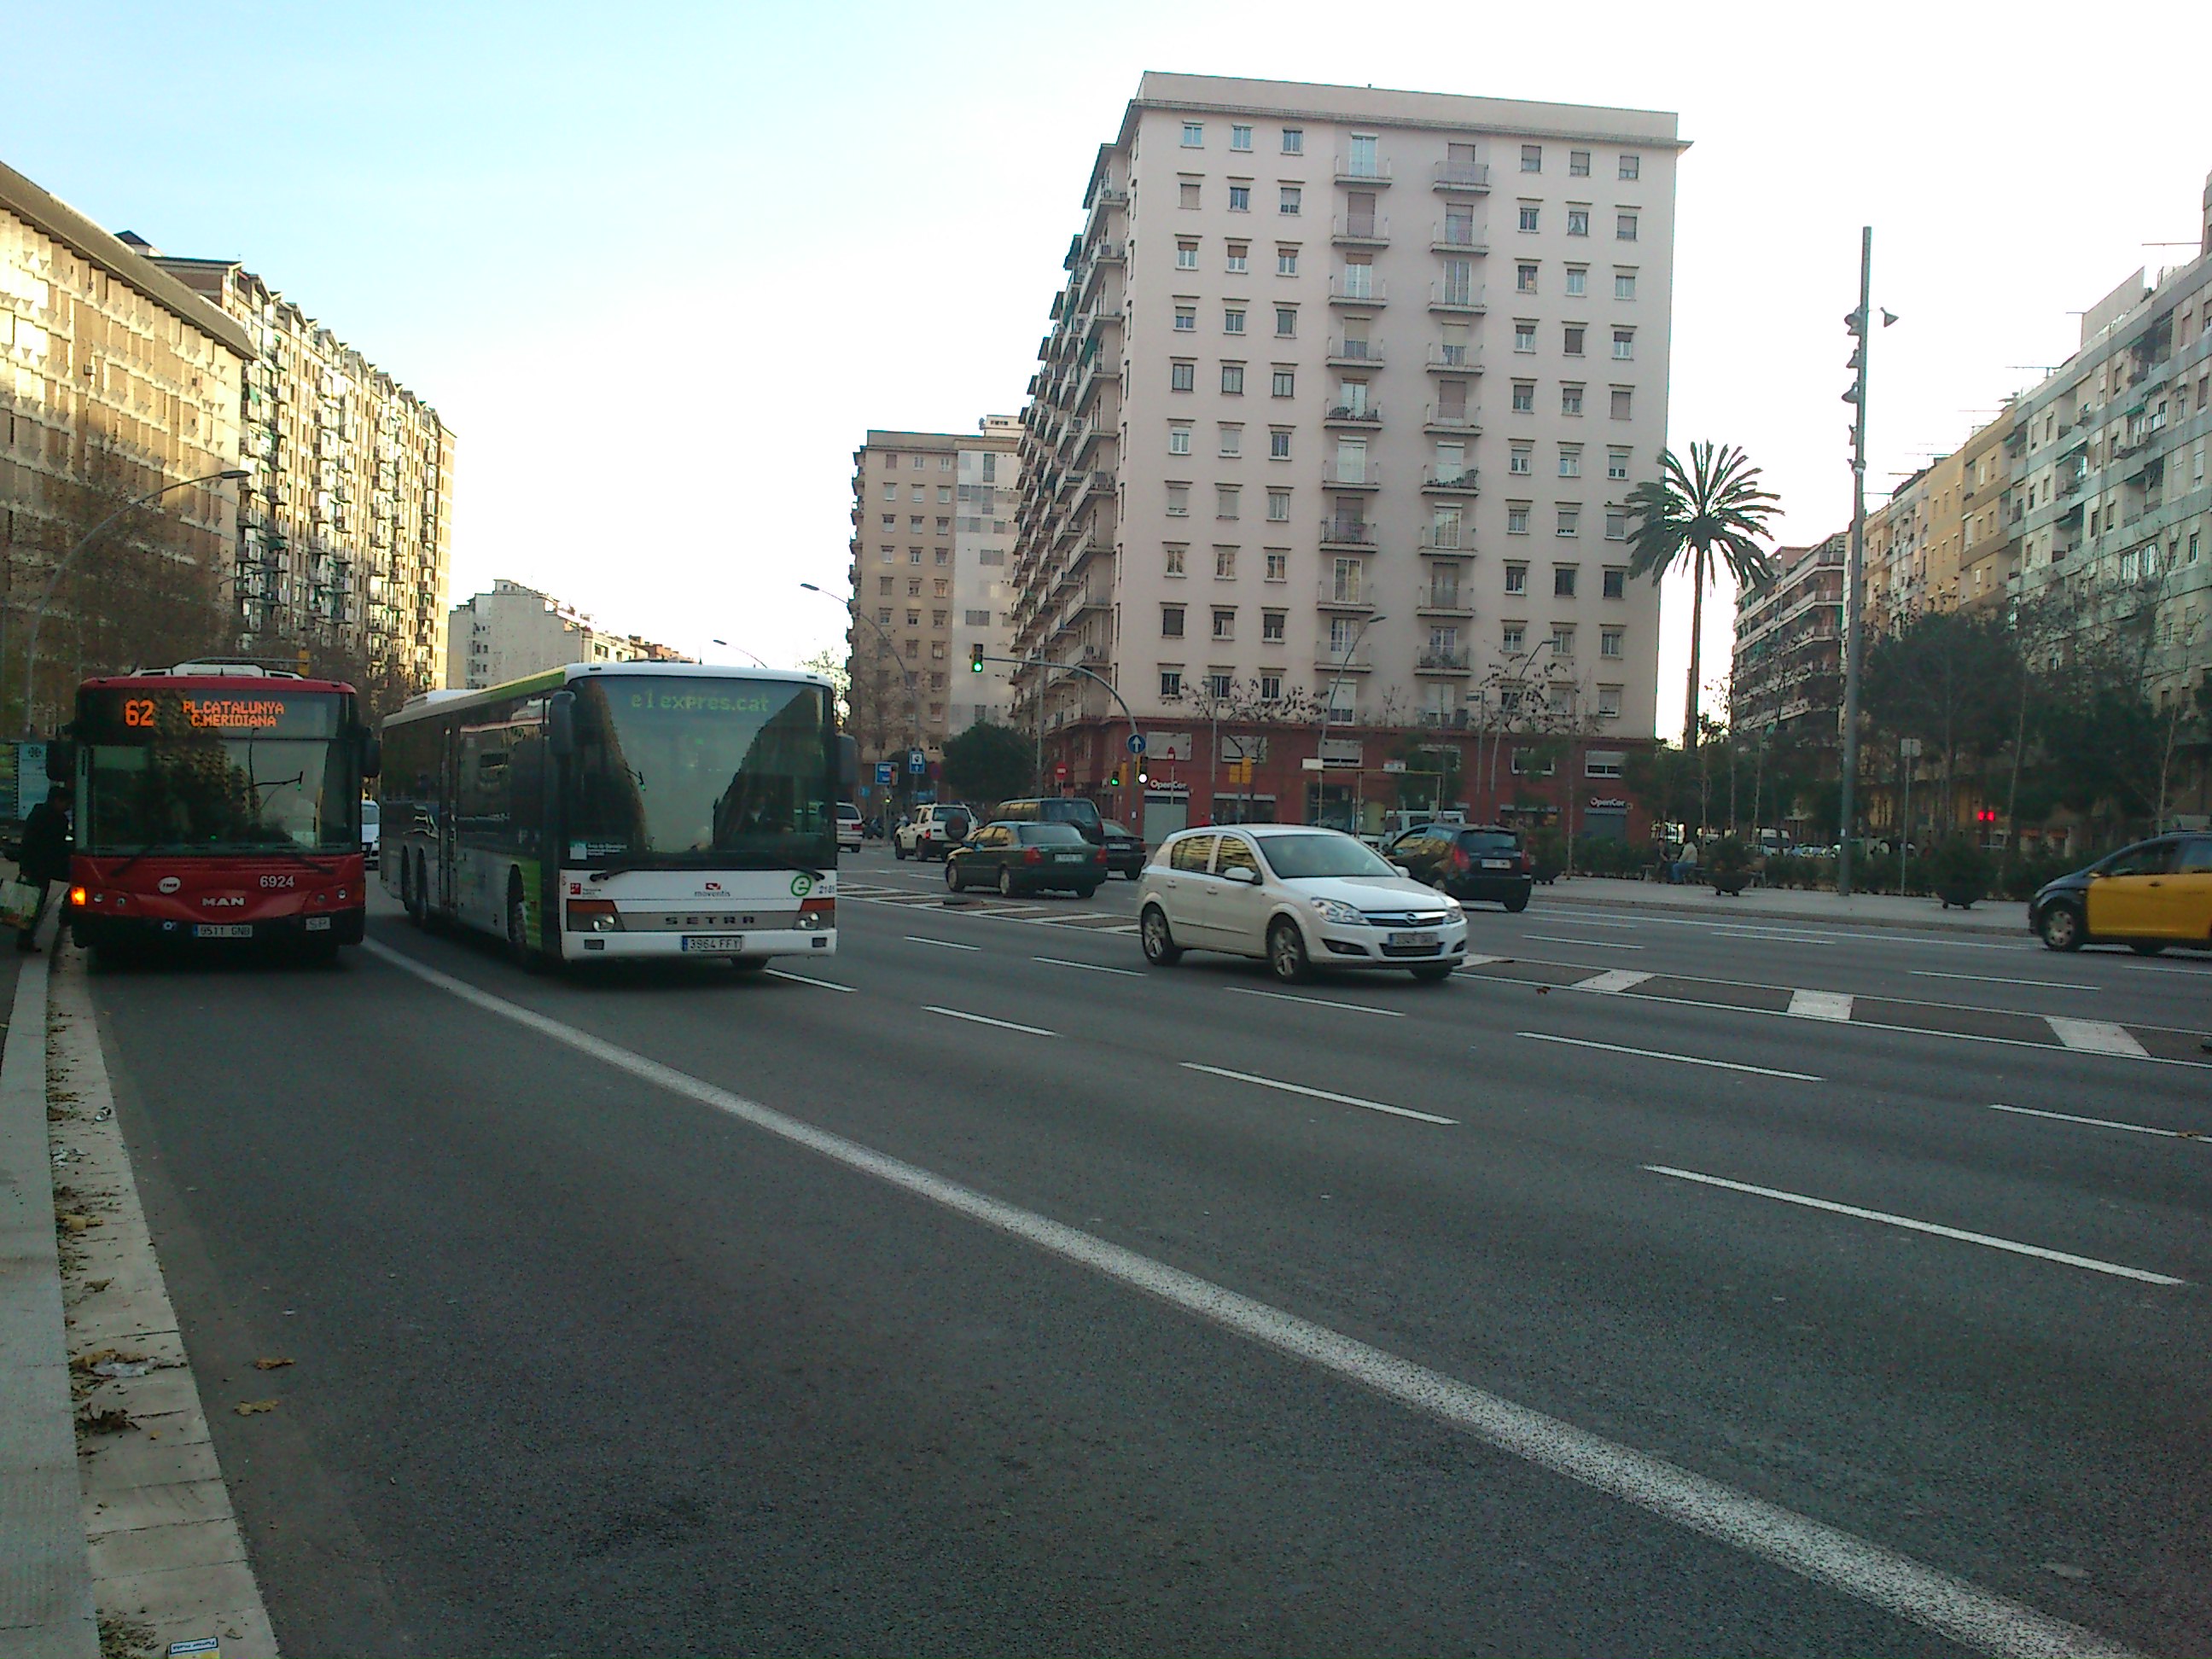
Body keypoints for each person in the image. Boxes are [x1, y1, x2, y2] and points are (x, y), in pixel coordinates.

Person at [16, 783, 73, 953]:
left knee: (32, 904)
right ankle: (26, 939)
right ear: (57, 801)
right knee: (33, 905)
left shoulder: (39, 814)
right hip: (42, 866)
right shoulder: (54, 818)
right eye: (66, 803)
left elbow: (28, 842)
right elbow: (54, 844)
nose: (68, 807)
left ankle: (25, 939)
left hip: (38, 866)